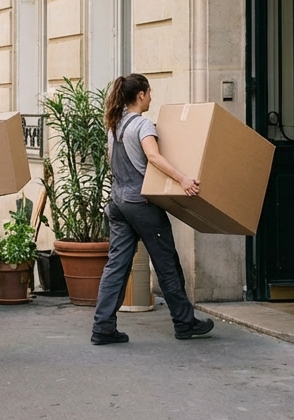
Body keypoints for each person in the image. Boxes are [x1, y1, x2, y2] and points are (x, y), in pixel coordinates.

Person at [90, 73, 215, 345]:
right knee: (166, 264)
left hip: (118, 203)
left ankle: (103, 327)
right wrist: (182, 179)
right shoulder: (142, 125)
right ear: (141, 95)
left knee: (116, 266)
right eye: (150, 93)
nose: (151, 97)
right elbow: (153, 156)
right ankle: (184, 323)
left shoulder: (114, 124)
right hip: (141, 205)